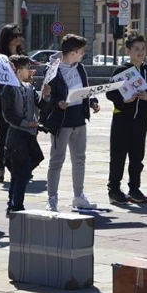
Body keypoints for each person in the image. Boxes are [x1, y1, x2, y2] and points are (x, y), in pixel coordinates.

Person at [41, 34, 99, 212]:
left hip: (79, 119)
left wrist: (92, 101)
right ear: (72, 53)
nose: (83, 55)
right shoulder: (53, 69)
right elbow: (46, 95)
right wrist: (57, 103)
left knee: (79, 159)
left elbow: (84, 88)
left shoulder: (80, 67)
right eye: (81, 52)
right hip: (61, 120)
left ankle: (78, 196)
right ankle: (52, 198)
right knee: (57, 160)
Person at [105, 32, 147, 204]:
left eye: (143, 49)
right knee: (118, 155)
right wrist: (123, 100)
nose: (140, 52)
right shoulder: (121, 70)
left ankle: (134, 188)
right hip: (122, 118)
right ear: (128, 51)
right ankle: (114, 189)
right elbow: (110, 92)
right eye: (136, 49)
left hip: (141, 119)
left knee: (137, 156)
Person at [1, 54, 46, 217]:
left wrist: (46, 93)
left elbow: (41, 104)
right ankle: (16, 205)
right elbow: (8, 115)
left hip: (29, 134)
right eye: (27, 68)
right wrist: (26, 123)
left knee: (22, 170)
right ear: (19, 71)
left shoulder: (29, 87)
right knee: (20, 171)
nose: (31, 71)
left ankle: (13, 203)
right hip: (17, 135)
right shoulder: (9, 88)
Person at [0, 23, 26, 184]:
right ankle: (1, 168)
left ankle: (17, 167)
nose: (19, 38)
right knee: (3, 135)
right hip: (2, 99)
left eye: (20, 34)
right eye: (15, 35)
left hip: (20, 97)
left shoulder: (22, 54)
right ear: (7, 38)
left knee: (19, 134)